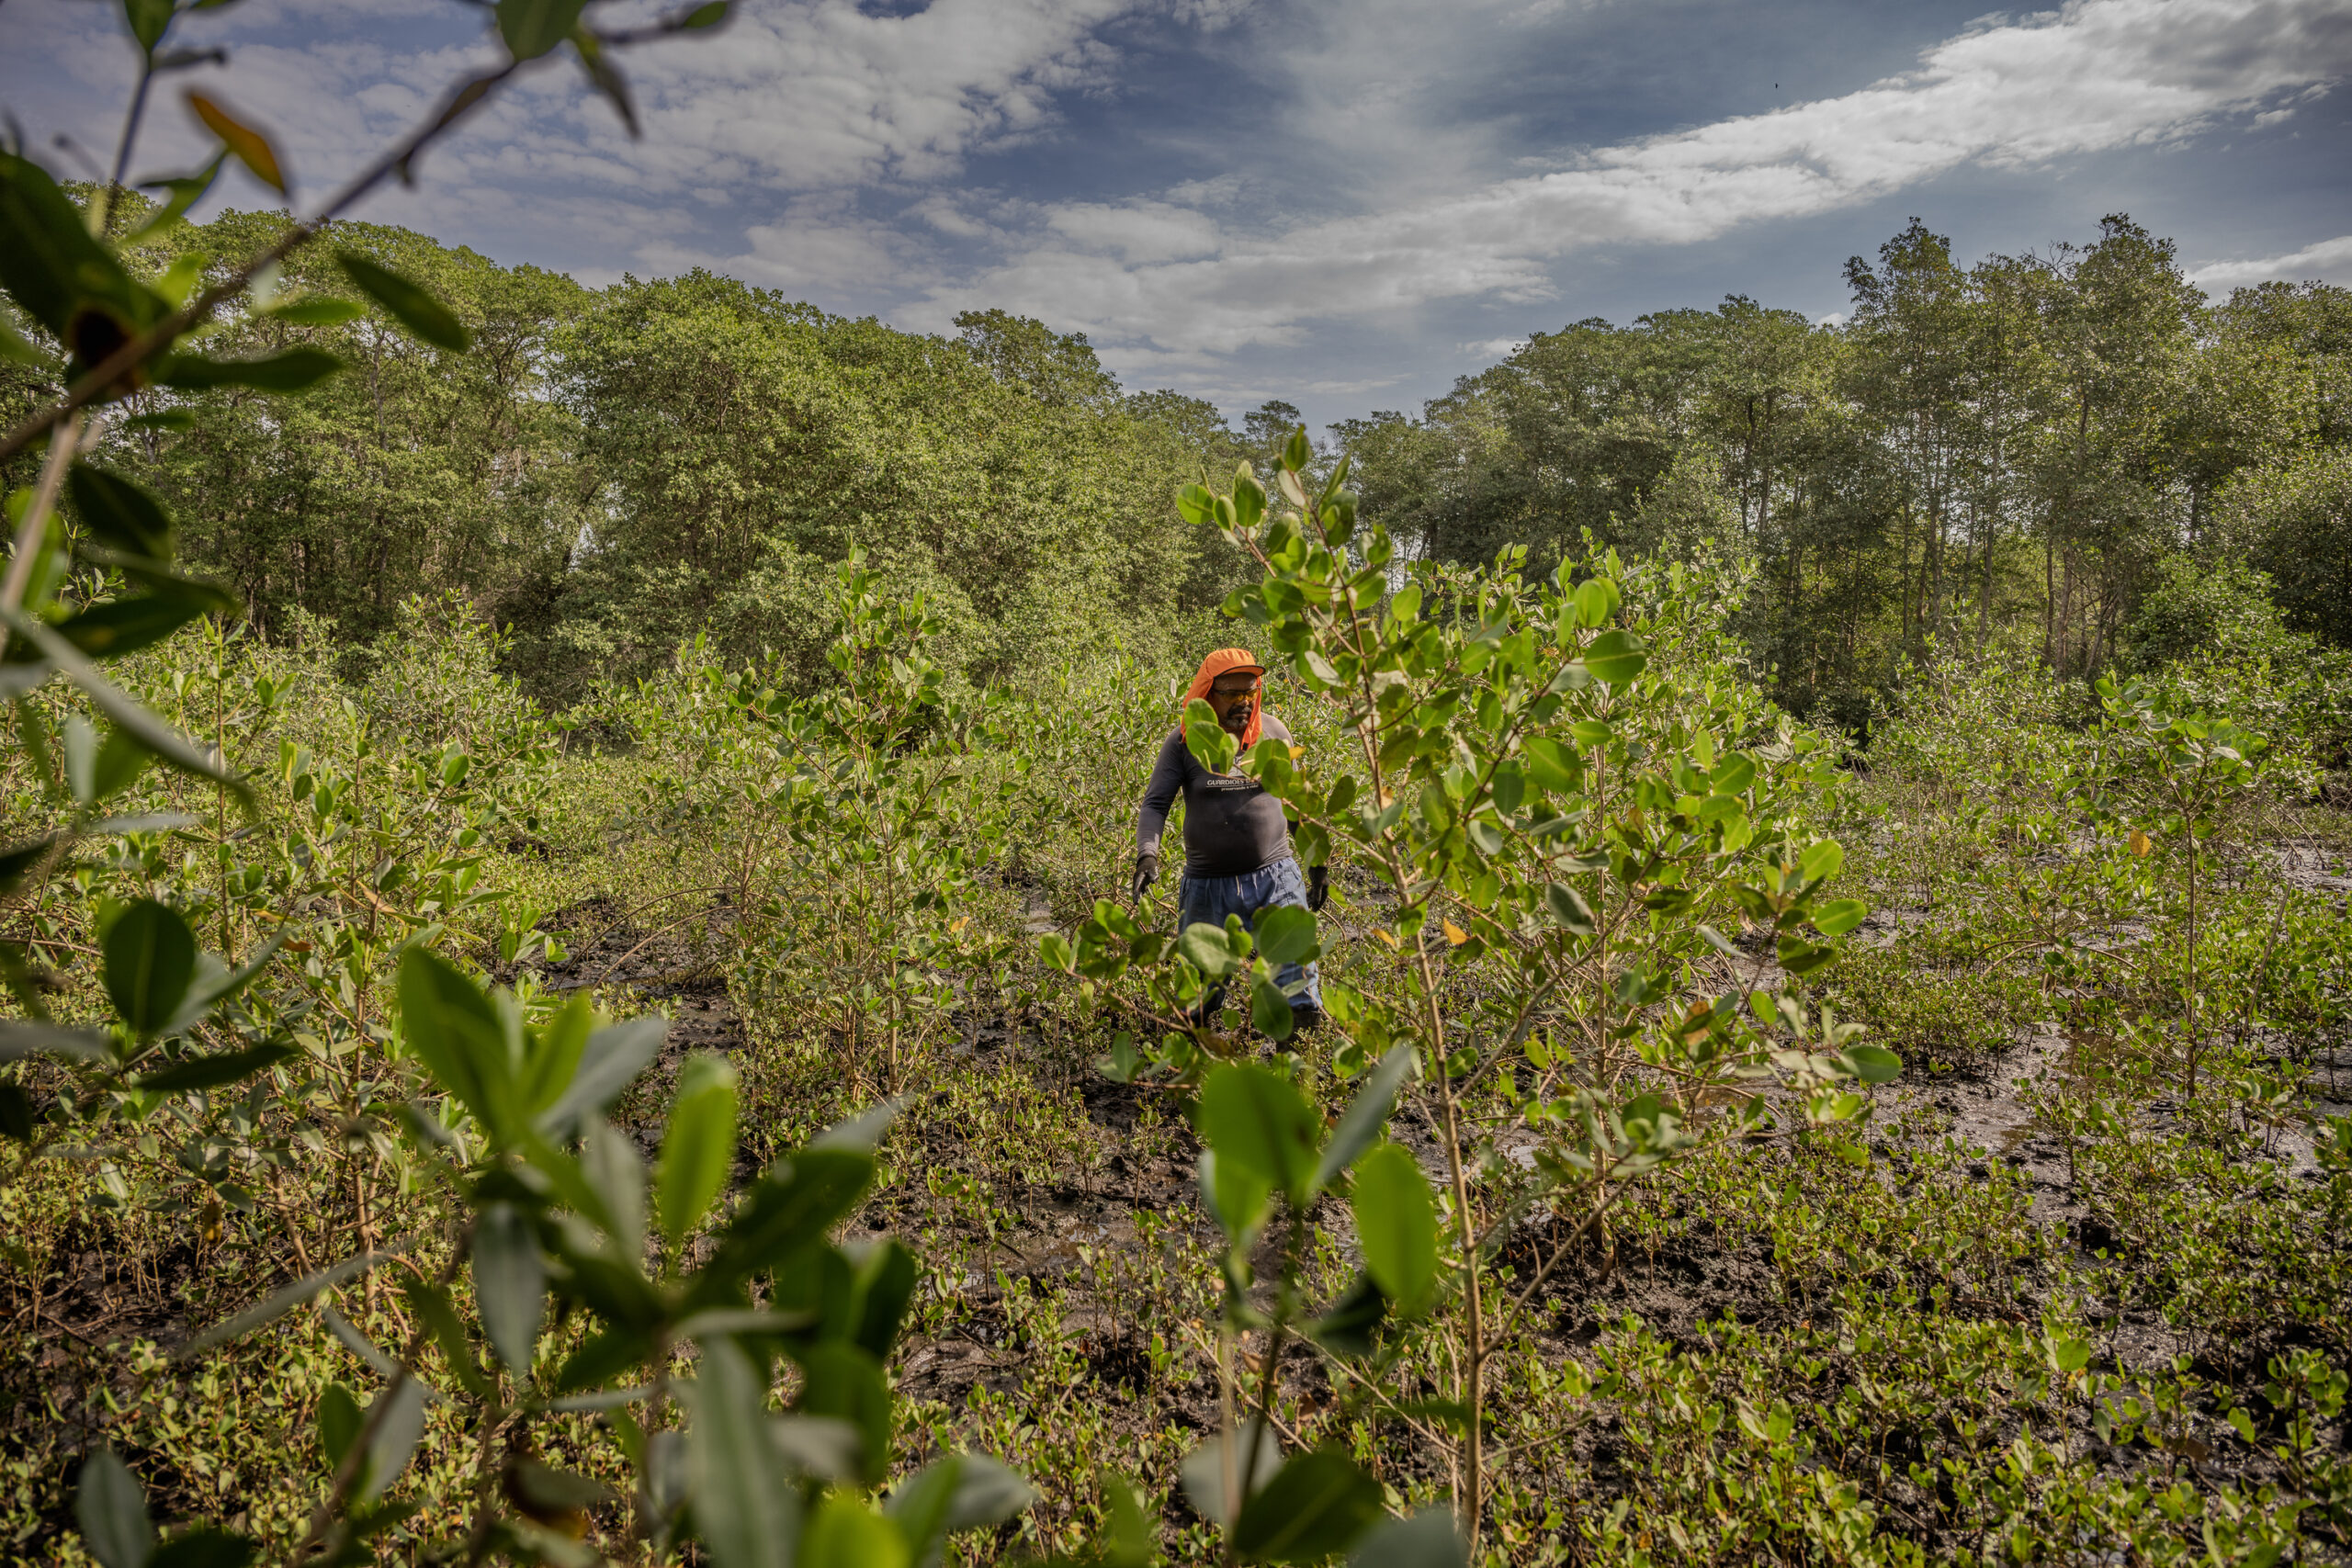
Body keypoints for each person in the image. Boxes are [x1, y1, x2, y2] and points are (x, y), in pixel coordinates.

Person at [1133, 649, 1327, 1028]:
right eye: (1231, 694)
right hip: (1207, 888)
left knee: (1299, 994)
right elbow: (1156, 804)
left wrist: (1318, 861)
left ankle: (1294, 1079)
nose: (1243, 702)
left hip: (1277, 878)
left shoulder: (1274, 733)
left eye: (1250, 692)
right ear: (1208, 694)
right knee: (1197, 1002)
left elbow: (1297, 805)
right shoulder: (1183, 743)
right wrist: (1147, 855)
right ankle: (1202, 1078)